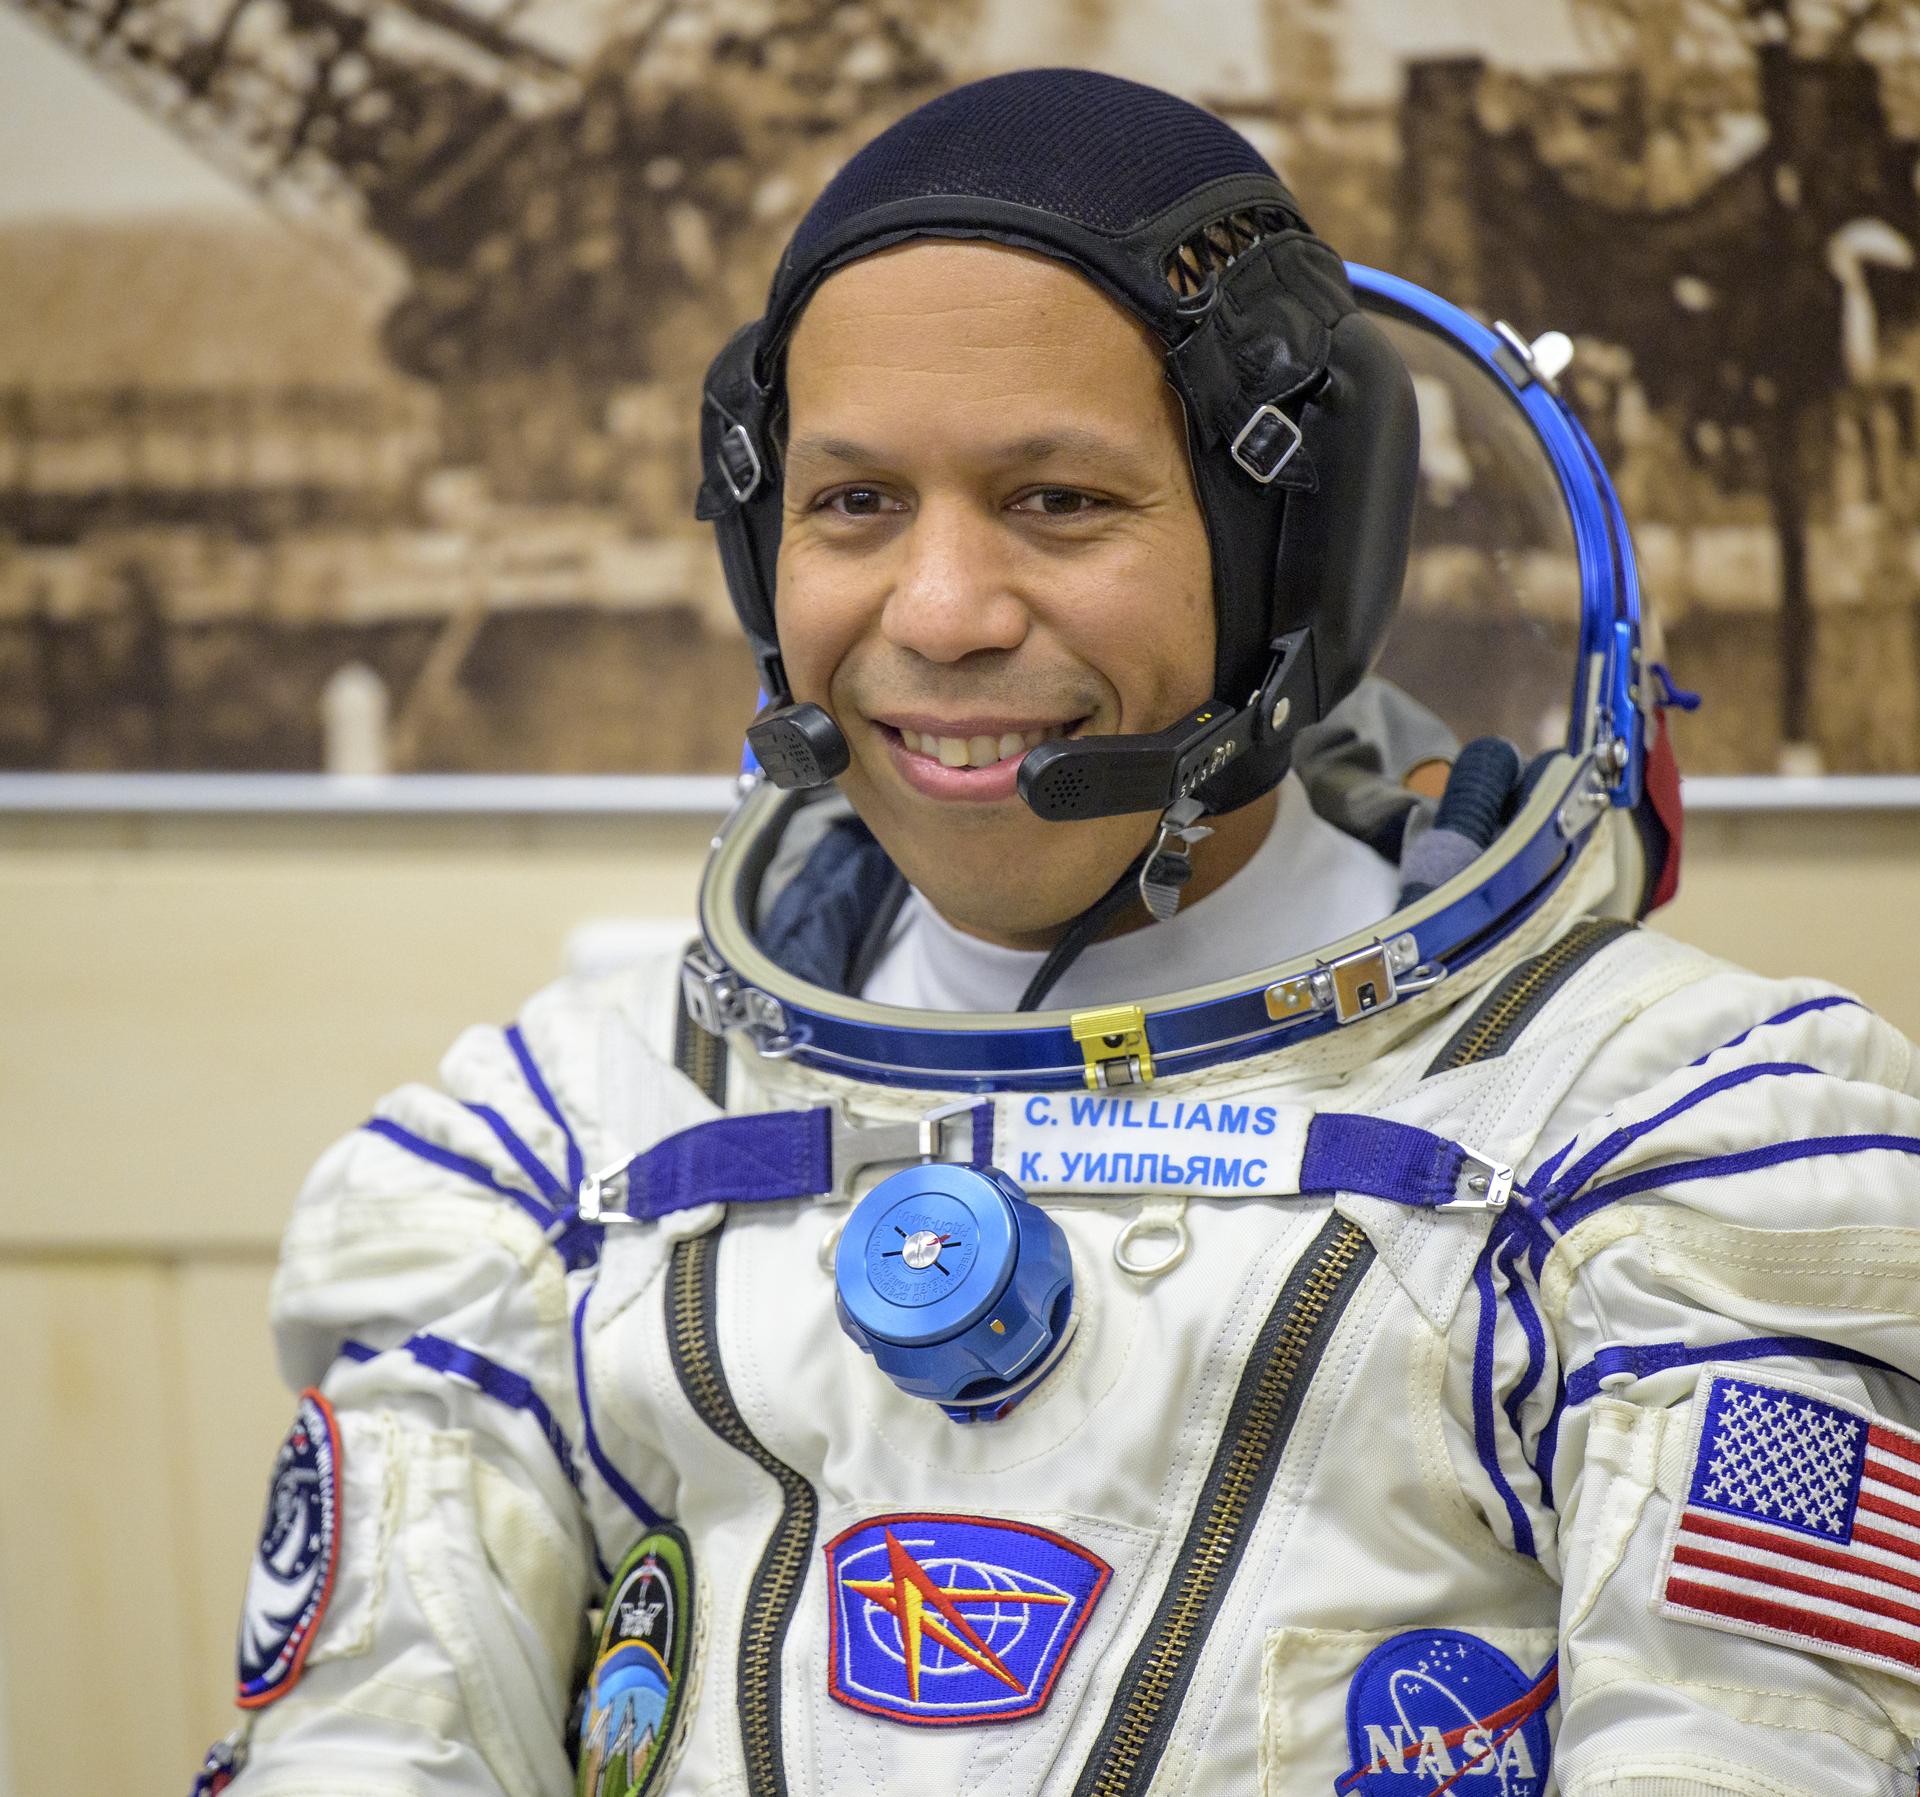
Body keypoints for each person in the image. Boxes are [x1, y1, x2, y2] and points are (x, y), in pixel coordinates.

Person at [199, 69, 1920, 1797]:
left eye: (1059, 503)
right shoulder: (556, 1159)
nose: (939, 614)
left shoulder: (1659, 1149)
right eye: (853, 502)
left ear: (1293, 566)